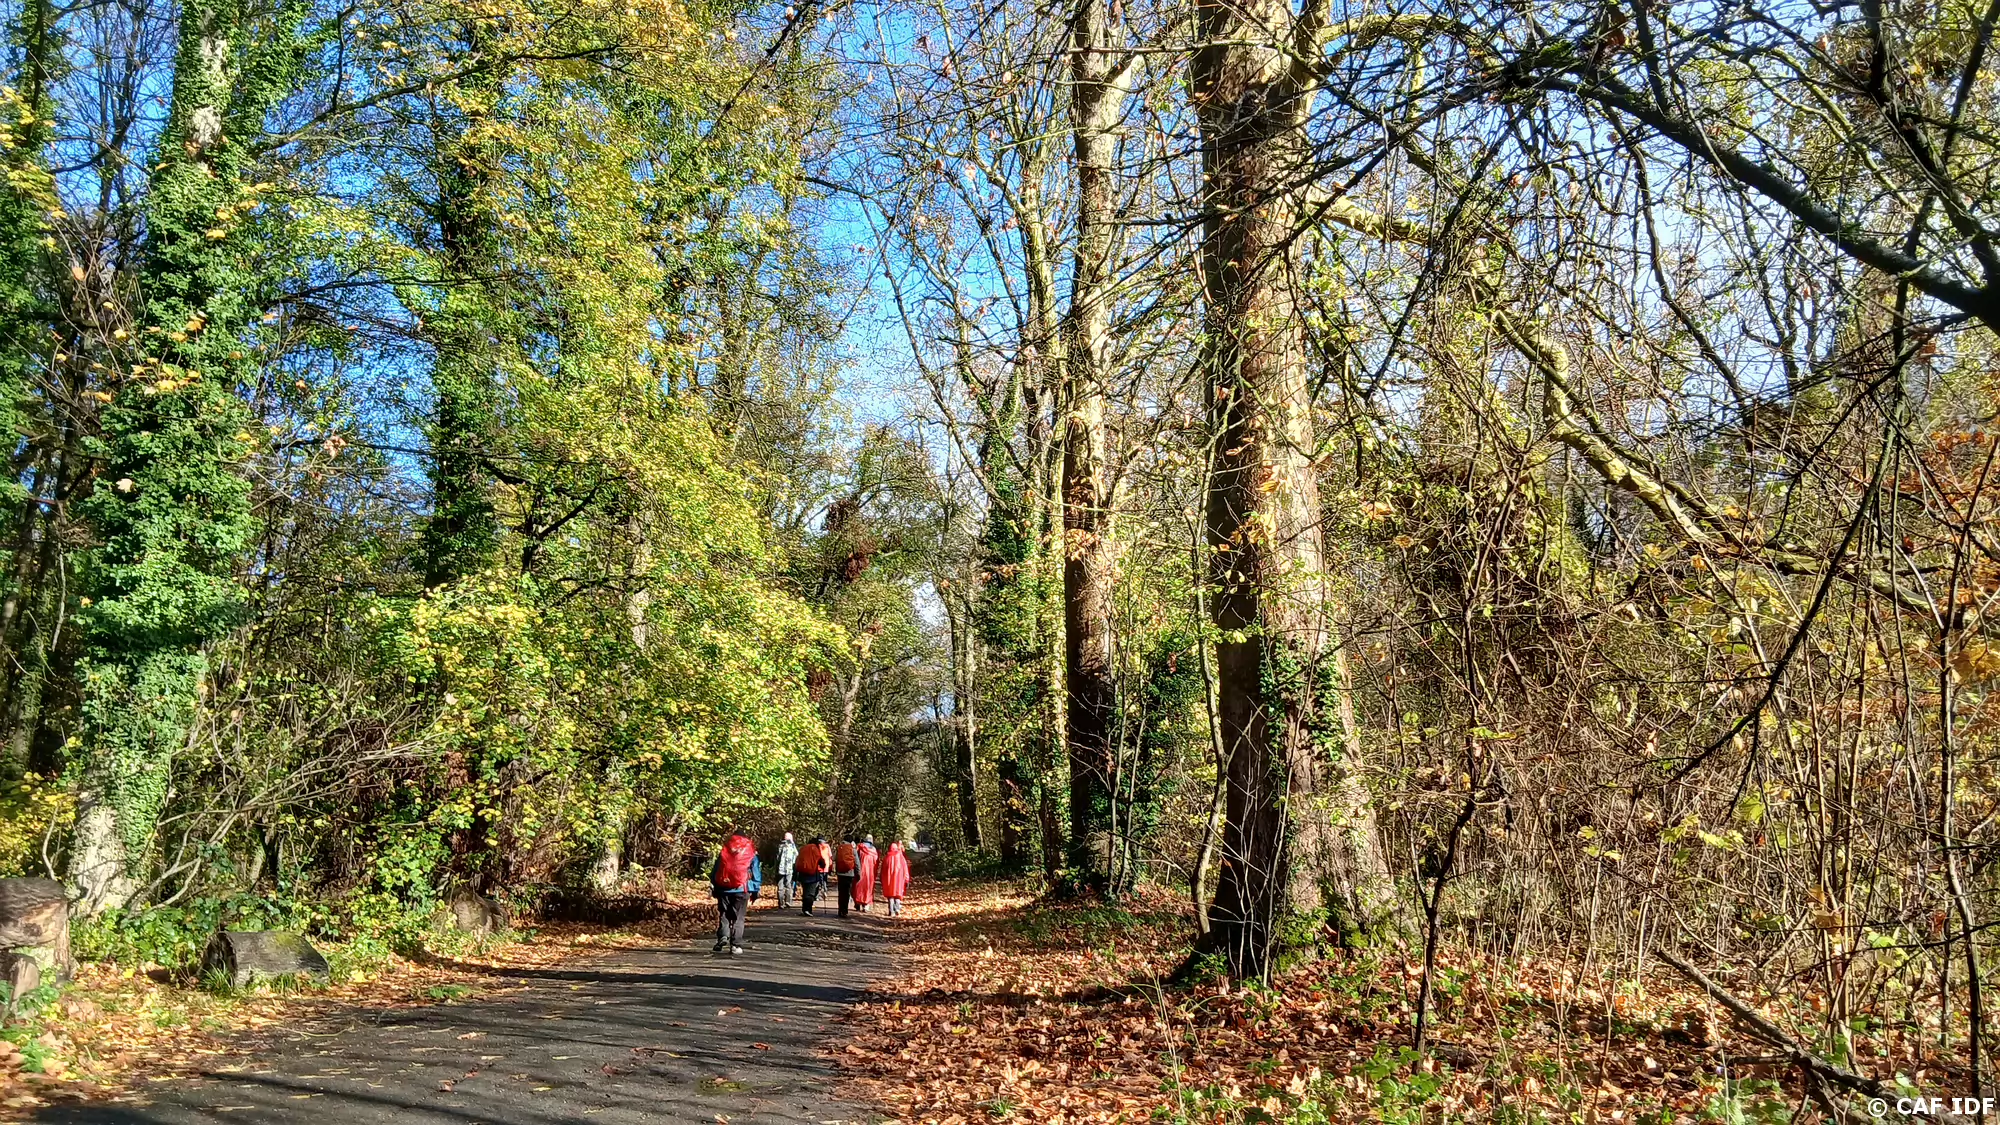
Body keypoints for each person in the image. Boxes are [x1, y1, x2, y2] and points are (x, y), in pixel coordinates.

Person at [709, 830, 762, 955]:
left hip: (723, 888)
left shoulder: (725, 850)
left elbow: (715, 871)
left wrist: (715, 887)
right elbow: (756, 873)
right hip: (742, 889)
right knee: (739, 917)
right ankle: (735, 945)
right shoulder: (750, 853)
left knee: (724, 914)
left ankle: (723, 937)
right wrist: (755, 889)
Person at [795, 835, 829, 915]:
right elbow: (821, 861)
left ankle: (804, 909)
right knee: (811, 893)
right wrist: (823, 866)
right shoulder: (816, 849)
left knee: (805, 891)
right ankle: (808, 909)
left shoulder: (803, 849)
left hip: (803, 873)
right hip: (813, 874)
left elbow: (798, 860)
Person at [881, 840, 910, 916]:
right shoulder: (901, 858)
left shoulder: (887, 858)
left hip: (888, 880)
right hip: (899, 880)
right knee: (897, 894)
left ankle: (891, 911)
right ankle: (897, 909)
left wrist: (882, 879)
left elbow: (883, 870)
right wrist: (907, 880)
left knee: (890, 895)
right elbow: (905, 869)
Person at [833, 835, 859, 918]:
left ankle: (840, 910)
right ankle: (844, 911)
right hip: (849, 874)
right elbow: (857, 863)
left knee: (841, 892)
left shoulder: (839, 848)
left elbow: (834, 858)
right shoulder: (853, 849)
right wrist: (858, 874)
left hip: (840, 873)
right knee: (847, 893)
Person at [854, 835, 879, 913]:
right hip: (870, 873)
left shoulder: (859, 848)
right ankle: (866, 905)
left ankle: (857, 903)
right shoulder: (874, 850)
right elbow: (876, 862)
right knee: (868, 888)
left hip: (860, 871)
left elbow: (855, 859)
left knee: (858, 887)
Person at [776, 832, 799, 908]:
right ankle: (788, 901)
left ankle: (781, 903)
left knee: (780, 886)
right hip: (789, 869)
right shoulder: (792, 846)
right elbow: (796, 855)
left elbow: (777, 857)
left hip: (780, 869)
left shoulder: (780, 846)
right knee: (788, 885)